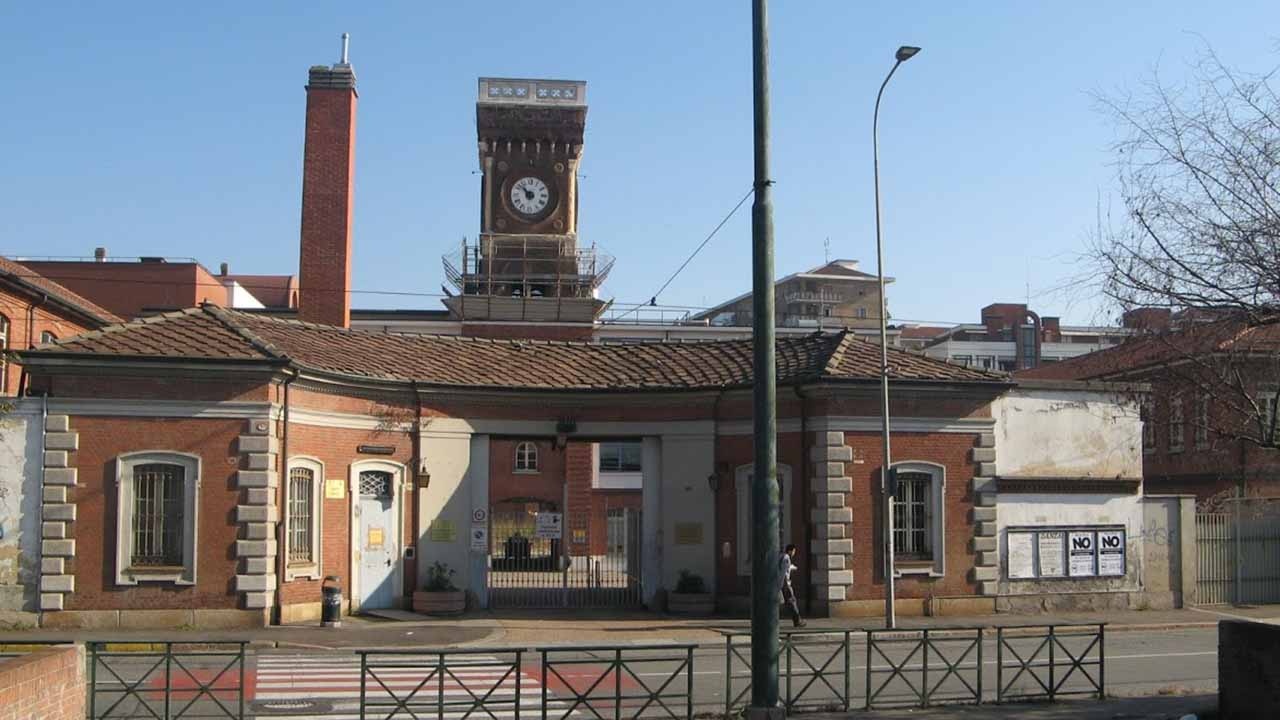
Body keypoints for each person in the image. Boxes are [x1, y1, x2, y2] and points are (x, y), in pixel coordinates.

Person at [778, 543, 806, 627]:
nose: (794, 553)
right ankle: (797, 620)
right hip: (786, 583)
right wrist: (782, 584)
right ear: (790, 551)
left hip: (783, 583)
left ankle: (797, 620)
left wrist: (792, 567)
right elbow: (783, 572)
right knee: (792, 601)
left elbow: (785, 568)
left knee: (790, 602)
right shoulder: (786, 558)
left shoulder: (782, 556)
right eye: (794, 551)